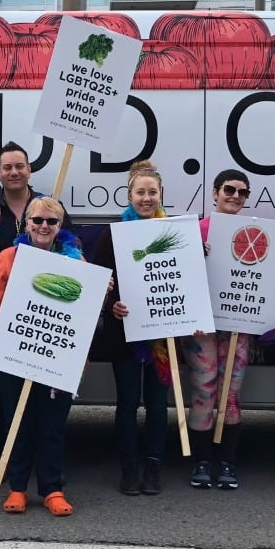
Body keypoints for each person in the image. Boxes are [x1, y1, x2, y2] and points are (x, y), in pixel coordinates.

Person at [0, 196, 82, 517]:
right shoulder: (9, 257)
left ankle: (52, 489)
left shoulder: (75, 262)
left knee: (51, 425)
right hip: (14, 352)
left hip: (56, 353)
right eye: (37, 220)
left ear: (60, 227)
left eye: (51, 221)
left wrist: (100, 289)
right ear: (26, 224)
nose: (44, 226)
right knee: (18, 421)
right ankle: (18, 487)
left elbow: (81, 309)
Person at [92, 159, 173, 496]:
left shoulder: (174, 234)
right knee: (127, 402)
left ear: (160, 195)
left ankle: (152, 467)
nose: (146, 198)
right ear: (129, 195)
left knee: (157, 404)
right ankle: (128, 468)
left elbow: (186, 281)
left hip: (163, 334)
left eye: (152, 192)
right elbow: (96, 283)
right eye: (140, 192)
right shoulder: (112, 235)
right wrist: (112, 305)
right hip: (123, 332)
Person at [183, 168, 254, 491]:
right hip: (203, 326)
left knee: (232, 396)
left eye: (242, 192)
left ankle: (227, 461)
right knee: (204, 392)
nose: (235, 196)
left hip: (239, 323)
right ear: (214, 193)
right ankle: (201, 461)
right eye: (229, 189)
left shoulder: (253, 232)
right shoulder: (195, 231)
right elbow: (179, 277)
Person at [0, 141, 74, 279]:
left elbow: (74, 245)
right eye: (7, 168)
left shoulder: (53, 207)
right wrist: (17, 260)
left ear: (29, 170)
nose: (14, 172)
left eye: (19, 166)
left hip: (45, 292)